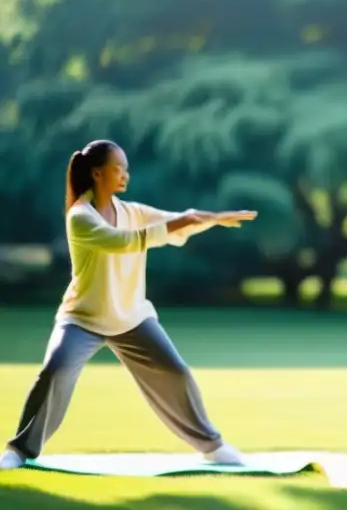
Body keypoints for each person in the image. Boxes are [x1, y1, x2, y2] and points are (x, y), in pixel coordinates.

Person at [0, 140, 258, 471]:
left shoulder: (131, 211)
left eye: (126, 169)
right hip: (83, 318)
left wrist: (210, 219)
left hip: (132, 317)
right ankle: (19, 450)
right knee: (55, 371)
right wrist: (189, 219)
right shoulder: (80, 216)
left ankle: (212, 446)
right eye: (117, 168)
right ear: (97, 173)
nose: (124, 175)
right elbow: (125, 242)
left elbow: (176, 221)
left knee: (175, 371)